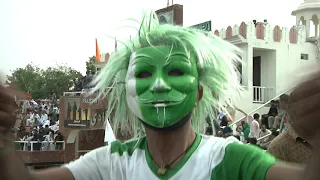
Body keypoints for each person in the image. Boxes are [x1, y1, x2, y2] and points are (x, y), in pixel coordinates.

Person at [1, 11, 320, 180]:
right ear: (126, 94)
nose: (157, 85)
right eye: (142, 74)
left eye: (176, 71)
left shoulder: (229, 160)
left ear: (198, 93)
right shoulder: (112, 163)